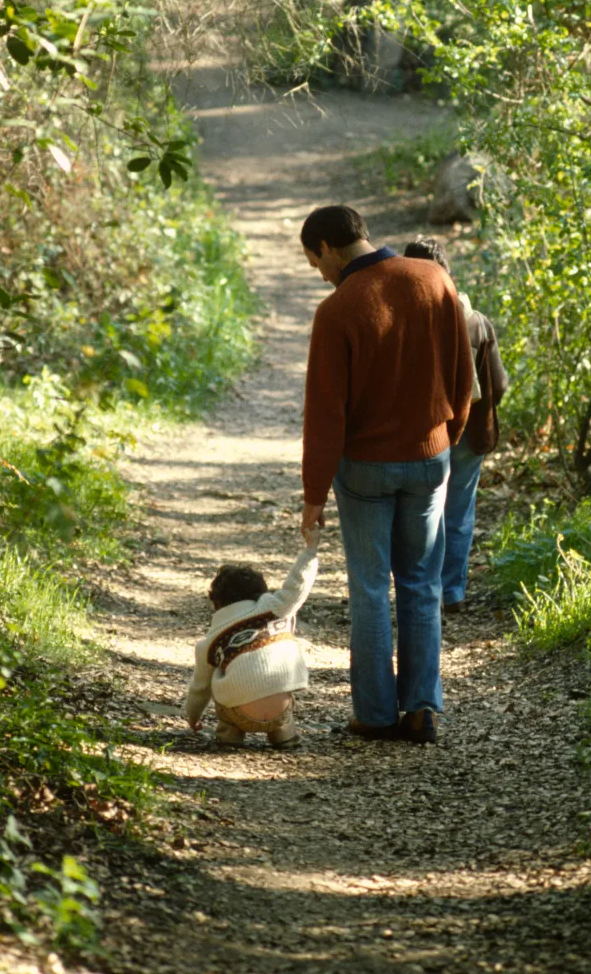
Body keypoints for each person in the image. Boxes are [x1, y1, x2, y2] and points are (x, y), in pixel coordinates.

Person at [300, 203, 474, 745]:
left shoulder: (337, 311)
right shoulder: (434, 280)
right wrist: (448, 436)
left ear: (327, 247)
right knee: (422, 582)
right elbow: (461, 375)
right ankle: (422, 709)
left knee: (372, 587)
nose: (319, 274)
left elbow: (326, 413)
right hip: (430, 458)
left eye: (314, 262)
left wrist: (313, 496)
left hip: (365, 469)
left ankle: (374, 715)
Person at [404, 238, 508, 614]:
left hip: (423, 432)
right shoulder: (476, 320)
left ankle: (421, 588)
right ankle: (453, 592)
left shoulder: (406, 321)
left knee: (421, 512)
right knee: (459, 512)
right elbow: (500, 382)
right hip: (470, 433)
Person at [184, 527, 320, 748]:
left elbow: (200, 688)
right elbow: (298, 585)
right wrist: (310, 551)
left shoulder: (209, 642)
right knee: (277, 686)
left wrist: (192, 716)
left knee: (219, 682)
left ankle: (230, 736)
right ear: (261, 593)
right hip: (280, 710)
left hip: (239, 713)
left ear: (217, 603)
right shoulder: (274, 608)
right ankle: (283, 735)